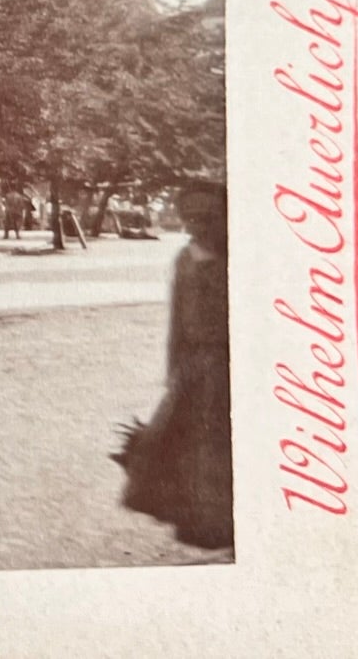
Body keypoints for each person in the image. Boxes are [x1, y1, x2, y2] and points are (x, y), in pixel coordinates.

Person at [114, 183, 232, 550]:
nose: (199, 226)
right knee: (188, 442)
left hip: (229, 363)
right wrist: (173, 369)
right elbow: (177, 320)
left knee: (221, 444)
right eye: (191, 219)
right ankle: (203, 519)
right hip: (194, 365)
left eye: (208, 218)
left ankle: (227, 518)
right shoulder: (184, 259)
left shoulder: (236, 257)